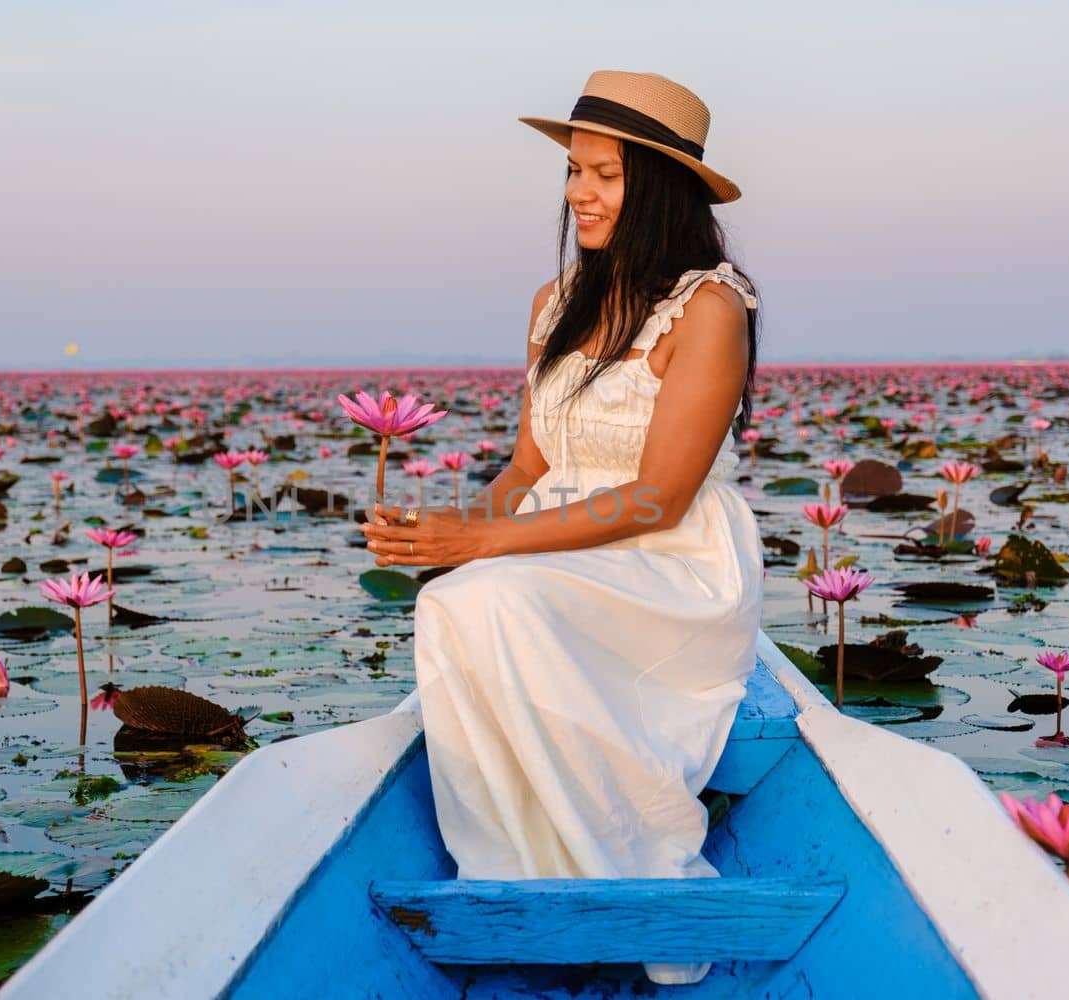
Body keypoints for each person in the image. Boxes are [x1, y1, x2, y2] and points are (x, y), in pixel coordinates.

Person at [359, 69, 764, 988]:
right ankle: (517, 869)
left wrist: (484, 549)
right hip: (553, 547)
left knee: (492, 593)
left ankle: (632, 868)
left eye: (603, 175)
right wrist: (450, 533)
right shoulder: (555, 302)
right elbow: (532, 467)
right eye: (574, 172)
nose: (578, 192)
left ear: (657, 187)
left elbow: (659, 495)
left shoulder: (709, 306)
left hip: (668, 562)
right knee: (454, 603)